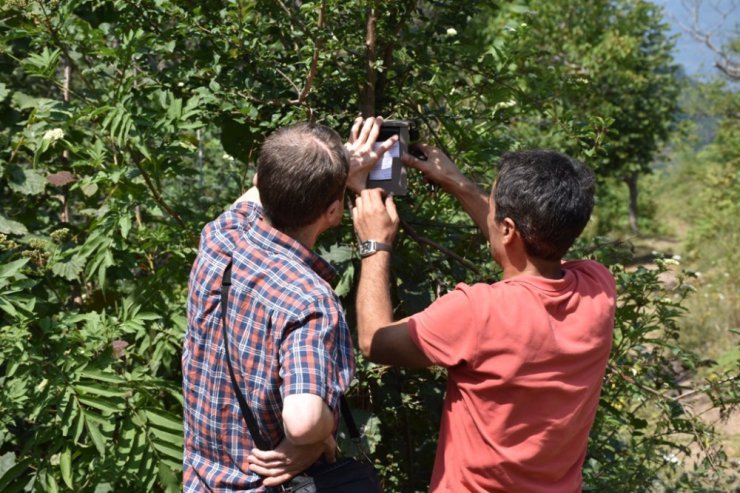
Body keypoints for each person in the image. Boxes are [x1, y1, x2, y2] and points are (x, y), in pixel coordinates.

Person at [351, 146, 617, 492]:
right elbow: (530, 255)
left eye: (490, 205)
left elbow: (375, 341)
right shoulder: (599, 289)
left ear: (508, 229)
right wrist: (458, 183)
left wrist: (375, 244)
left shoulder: (477, 312)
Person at [182, 117, 396, 492]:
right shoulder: (308, 298)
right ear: (333, 212)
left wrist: (336, 161)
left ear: (258, 183)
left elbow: (254, 195)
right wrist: (317, 434)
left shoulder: (221, 237)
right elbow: (302, 421)